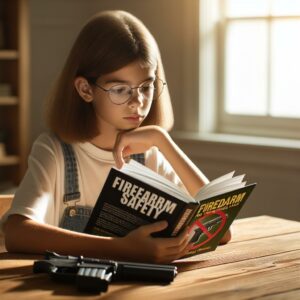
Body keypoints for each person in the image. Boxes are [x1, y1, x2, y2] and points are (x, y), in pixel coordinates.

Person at [1, 10, 230, 263]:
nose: (138, 102)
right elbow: (16, 233)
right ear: (85, 89)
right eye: (121, 89)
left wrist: (163, 141)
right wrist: (121, 248)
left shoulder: (151, 153)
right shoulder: (55, 150)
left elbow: (222, 231)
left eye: (146, 87)